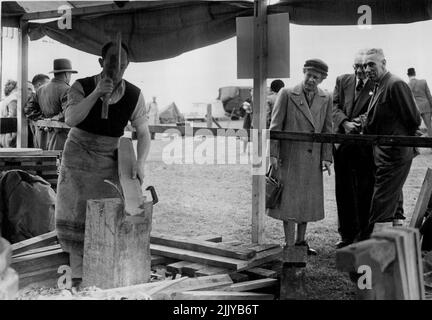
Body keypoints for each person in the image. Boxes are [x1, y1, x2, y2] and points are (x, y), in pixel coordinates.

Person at [55, 41, 151, 287]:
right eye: (111, 62)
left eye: (121, 64)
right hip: (78, 155)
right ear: (101, 62)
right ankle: (76, 275)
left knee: (105, 210)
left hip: (109, 157)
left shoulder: (134, 94)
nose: (116, 68)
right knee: (74, 211)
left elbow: (143, 131)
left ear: (127, 66)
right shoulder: (81, 86)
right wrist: (97, 92)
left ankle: (103, 269)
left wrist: (140, 162)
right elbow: (71, 119)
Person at [268, 59, 333, 255]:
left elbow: (328, 128)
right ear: (303, 72)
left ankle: (301, 242)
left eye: (316, 76)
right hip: (289, 157)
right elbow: (275, 126)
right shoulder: (286, 94)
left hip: (312, 158)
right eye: (309, 75)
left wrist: (327, 157)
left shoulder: (327, 97)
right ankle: (288, 244)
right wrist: (273, 154)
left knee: (307, 201)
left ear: (322, 79)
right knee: (288, 201)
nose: (311, 80)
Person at [359, 48, 421, 239]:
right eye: (364, 65)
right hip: (383, 155)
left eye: (371, 64)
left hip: (394, 155)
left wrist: (403, 143)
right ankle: (392, 250)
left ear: (383, 63)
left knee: (381, 204)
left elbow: (413, 119)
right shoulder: (378, 86)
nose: (367, 68)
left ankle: (377, 255)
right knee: (393, 202)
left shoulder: (395, 84)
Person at [332, 50, 375, 248]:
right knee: (343, 191)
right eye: (356, 66)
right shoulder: (342, 80)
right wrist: (344, 123)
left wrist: (357, 123)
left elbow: (374, 111)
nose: (360, 71)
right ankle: (346, 235)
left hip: (364, 149)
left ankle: (362, 236)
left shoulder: (378, 84)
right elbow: (334, 105)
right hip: (342, 147)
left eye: (363, 67)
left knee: (364, 192)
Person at [25, 59, 77, 150]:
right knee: (60, 163)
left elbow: (28, 109)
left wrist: (43, 119)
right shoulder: (68, 90)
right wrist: (54, 119)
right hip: (62, 138)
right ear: (66, 74)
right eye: (70, 74)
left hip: (42, 137)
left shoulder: (40, 89)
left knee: (44, 162)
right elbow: (68, 113)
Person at [25, 74, 50, 148]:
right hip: (39, 128)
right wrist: (42, 118)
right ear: (40, 84)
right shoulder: (36, 96)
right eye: (47, 84)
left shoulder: (37, 95)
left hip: (41, 127)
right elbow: (28, 110)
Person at [407, 67, 432, 138]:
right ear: (415, 73)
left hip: (416, 109)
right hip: (426, 107)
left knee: (414, 128)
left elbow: (409, 100)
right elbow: (429, 96)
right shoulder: (423, 82)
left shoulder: (407, 85)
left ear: (408, 75)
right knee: (429, 127)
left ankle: (416, 145)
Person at [0, 80, 18, 148]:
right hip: (9, 135)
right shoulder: (13, 99)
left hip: (3, 134)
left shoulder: (3, 101)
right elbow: (13, 117)